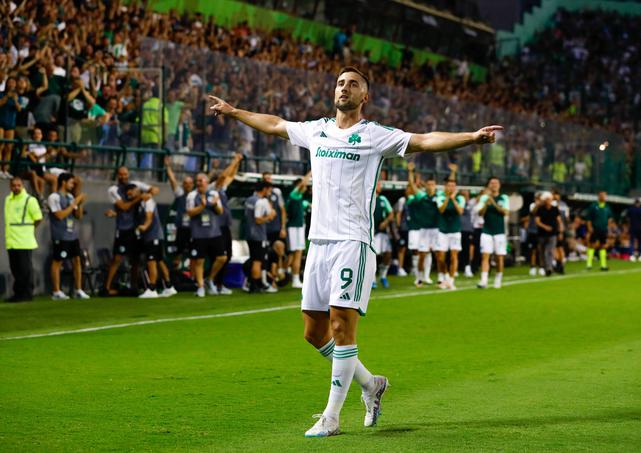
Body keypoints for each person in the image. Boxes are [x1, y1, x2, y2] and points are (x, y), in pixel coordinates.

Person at [208, 65, 501, 437]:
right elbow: (275, 123)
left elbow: (426, 140)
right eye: (340, 83)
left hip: (353, 243)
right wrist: (234, 112)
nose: (344, 87)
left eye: (353, 84)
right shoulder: (316, 130)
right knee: (314, 333)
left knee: (341, 326)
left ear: (365, 97)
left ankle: (331, 416)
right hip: (318, 243)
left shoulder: (375, 135)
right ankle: (371, 383)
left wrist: (472, 139)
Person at [104, 166, 158, 296]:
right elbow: (123, 206)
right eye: (121, 174)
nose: (124, 176)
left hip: (135, 229)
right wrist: (140, 197)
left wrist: (148, 194)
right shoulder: (113, 190)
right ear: (117, 175)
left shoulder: (135, 185)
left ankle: (134, 287)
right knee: (117, 259)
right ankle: (106, 288)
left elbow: (155, 189)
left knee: (136, 259)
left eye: (125, 174)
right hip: (122, 229)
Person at [47, 173, 90, 300]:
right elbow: (60, 215)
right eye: (71, 182)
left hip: (72, 234)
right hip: (60, 235)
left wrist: (80, 203)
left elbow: (78, 216)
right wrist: (75, 202)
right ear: (63, 182)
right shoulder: (54, 197)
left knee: (77, 260)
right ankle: (56, 291)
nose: (72, 185)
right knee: (57, 261)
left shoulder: (71, 196)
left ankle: (78, 289)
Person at [131, 185, 177, 299]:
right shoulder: (140, 203)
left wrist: (144, 227)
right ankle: (169, 287)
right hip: (152, 236)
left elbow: (149, 217)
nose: (130, 195)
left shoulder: (148, 202)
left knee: (151, 261)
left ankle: (152, 288)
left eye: (132, 192)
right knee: (159, 261)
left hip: (153, 236)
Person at [186, 173, 227, 297]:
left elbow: (220, 211)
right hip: (199, 233)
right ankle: (200, 287)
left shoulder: (214, 194)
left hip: (214, 232)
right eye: (197, 180)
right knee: (199, 260)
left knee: (222, 258)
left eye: (201, 180)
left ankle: (210, 279)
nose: (199, 183)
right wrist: (202, 206)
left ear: (207, 182)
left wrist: (215, 205)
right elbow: (190, 213)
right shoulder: (192, 196)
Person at [4, 177, 42, 302]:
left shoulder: (29, 200)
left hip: (24, 240)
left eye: (18, 185)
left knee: (25, 269)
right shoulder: (8, 200)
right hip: (11, 240)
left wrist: (29, 229)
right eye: (13, 185)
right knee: (15, 269)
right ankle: (18, 294)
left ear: (23, 186)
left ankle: (27, 294)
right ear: (10, 186)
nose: (16, 187)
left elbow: (38, 218)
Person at [211, 153, 242, 295]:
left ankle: (219, 283)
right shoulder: (213, 189)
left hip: (225, 226)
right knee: (220, 256)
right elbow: (224, 176)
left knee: (227, 255)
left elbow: (231, 176)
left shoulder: (221, 189)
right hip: (217, 228)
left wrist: (237, 163)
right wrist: (234, 160)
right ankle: (212, 281)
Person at [243, 181, 277, 293]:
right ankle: (255, 285)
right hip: (258, 235)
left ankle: (253, 284)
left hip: (249, 233)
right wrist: (269, 216)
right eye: (269, 189)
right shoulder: (260, 202)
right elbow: (258, 219)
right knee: (258, 261)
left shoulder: (249, 199)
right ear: (264, 189)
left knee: (254, 259)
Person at [476, 177, 509, 289]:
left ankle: (498, 277)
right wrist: (486, 203)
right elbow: (480, 213)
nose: (494, 185)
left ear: (499, 185)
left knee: (499, 257)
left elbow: (505, 212)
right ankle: (483, 280)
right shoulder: (484, 198)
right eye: (492, 183)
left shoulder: (503, 198)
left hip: (499, 232)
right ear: (489, 185)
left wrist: (493, 203)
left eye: (496, 183)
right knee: (485, 255)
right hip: (487, 231)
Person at [407, 170, 438, 288]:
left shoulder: (439, 196)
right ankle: (419, 277)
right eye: (428, 184)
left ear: (435, 186)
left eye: (432, 184)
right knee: (422, 254)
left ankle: (430, 276)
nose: (430, 186)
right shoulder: (421, 196)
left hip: (436, 230)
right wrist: (410, 172)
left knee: (438, 255)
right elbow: (412, 185)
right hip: (423, 230)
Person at [435, 178, 465, 290]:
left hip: (455, 231)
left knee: (453, 256)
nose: (451, 188)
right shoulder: (440, 197)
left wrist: (454, 199)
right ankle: (446, 276)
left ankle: (451, 280)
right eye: (449, 186)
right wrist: (448, 198)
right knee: (440, 257)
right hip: (442, 231)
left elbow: (460, 211)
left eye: (453, 186)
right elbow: (441, 210)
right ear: (445, 187)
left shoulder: (460, 198)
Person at [165, 157, 194, 269]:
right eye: (185, 183)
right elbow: (172, 180)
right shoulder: (180, 194)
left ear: (192, 184)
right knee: (178, 254)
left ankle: (193, 279)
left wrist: (214, 169)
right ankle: (175, 276)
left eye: (190, 183)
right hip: (182, 228)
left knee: (195, 255)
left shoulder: (196, 195)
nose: (187, 185)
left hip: (194, 229)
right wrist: (168, 166)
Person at [286, 171, 312, 289]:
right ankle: (294, 279)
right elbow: (303, 184)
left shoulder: (300, 200)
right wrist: (311, 172)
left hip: (299, 227)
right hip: (295, 227)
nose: (306, 188)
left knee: (297, 253)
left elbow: (309, 205)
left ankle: (288, 274)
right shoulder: (294, 194)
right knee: (297, 253)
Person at [535, 192, 563, 276]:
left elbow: (559, 220)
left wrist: (560, 229)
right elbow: (537, 221)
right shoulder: (540, 209)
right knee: (542, 251)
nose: (548, 201)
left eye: (550, 199)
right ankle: (543, 267)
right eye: (546, 199)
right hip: (542, 234)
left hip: (552, 233)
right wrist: (545, 227)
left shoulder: (555, 209)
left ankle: (549, 268)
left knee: (550, 251)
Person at [373, 180, 393, 288]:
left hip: (382, 232)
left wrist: (385, 222)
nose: (380, 186)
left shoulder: (382, 199)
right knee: (373, 256)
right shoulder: (367, 198)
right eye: (378, 184)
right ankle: (372, 279)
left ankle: (383, 276)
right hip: (371, 232)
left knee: (388, 254)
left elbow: (391, 213)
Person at [586, 191, 614, 271]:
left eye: (604, 196)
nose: (603, 197)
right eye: (602, 195)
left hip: (603, 229)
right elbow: (589, 218)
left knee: (603, 246)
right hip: (595, 228)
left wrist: (609, 227)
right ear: (599, 196)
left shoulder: (607, 207)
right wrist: (589, 227)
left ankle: (603, 264)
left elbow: (610, 218)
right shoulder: (594, 206)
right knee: (592, 245)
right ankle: (589, 264)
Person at [262, 171, 287, 247]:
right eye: (265, 178)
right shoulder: (259, 193)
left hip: (276, 227)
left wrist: (283, 227)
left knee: (279, 247)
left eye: (269, 178)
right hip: (264, 228)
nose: (267, 180)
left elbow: (283, 210)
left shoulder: (277, 192)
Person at [552, 190, 569, 274]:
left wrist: (561, 229)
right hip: (556, 228)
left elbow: (566, 218)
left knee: (558, 247)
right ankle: (559, 264)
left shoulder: (562, 205)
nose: (555, 196)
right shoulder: (562, 205)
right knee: (556, 247)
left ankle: (560, 264)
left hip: (558, 229)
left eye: (556, 194)